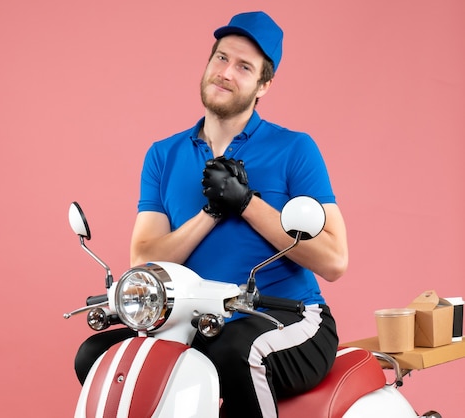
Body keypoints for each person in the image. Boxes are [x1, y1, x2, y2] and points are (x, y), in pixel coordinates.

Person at [75, 11, 348, 418]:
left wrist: (247, 204)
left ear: (263, 85)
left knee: (234, 352)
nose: (225, 73)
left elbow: (334, 260)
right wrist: (211, 213)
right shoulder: (163, 155)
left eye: (244, 67)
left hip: (287, 317)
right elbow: (144, 258)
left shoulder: (294, 149)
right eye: (221, 58)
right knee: (96, 356)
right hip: (196, 318)